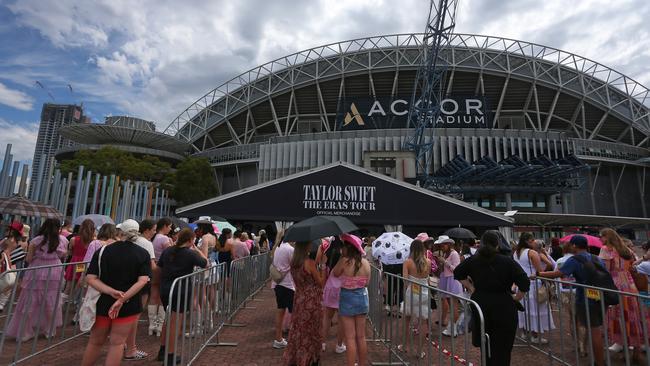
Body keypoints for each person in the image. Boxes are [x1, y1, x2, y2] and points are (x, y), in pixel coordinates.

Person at [454, 230, 530, 366]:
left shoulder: (473, 260)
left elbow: (458, 272)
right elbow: (524, 282)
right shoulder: (507, 261)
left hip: (481, 303)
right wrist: (517, 298)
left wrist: (472, 288)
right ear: (498, 245)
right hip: (503, 304)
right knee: (503, 347)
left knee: (485, 342)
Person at [80, 223, 151, 366]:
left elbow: (91, 278)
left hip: (103, 302)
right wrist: (123, 298)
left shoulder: (103, 251)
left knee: (95, 342)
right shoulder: (142, 253)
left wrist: (110, 291)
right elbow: (143, 280)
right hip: (128, 304)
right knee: (117, 343)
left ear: (119, 231)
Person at [537, 235, 608, 366]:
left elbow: (559, 273)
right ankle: (596, 357)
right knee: (594, 328)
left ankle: (599, 361)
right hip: (598, 295)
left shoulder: (575, 260)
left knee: (592, 330)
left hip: (583, 296)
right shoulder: (596, 257)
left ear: (574, 246)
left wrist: (539, 274)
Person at [6, 219, 68, 341]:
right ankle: (49, 330)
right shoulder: (62, 240)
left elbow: (28, 259)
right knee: (51, 301)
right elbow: (63, 255)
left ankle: (25, 332)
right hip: (55, 271)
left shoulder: (36, 240)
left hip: (37, 270)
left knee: (30, 301)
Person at [156, 228, 208, 363]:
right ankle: (170, 355)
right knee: (176, 323)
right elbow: (205, 263)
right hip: (181, 290)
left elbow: (159, 267)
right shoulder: (190, 254)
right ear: (191, 240)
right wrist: (198, 250)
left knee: (168, 320)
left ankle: (163, 350)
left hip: (165, 288)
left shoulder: (168, 251)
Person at [599, 228, 643, 359]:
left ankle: (625, 350)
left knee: (619, 317)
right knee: (633, 316)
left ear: (607, 237)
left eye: (602, 236)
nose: (601, 239)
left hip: (615, 285)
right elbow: (632, 266)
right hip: (630, 285)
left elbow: (605, 270)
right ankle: (636, 351)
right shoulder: (626, 250)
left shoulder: (606, 249)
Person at [283, 240, 325, 366]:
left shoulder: (294, 263)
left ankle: (297, 356)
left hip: (299, 299)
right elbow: (321, 282)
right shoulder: (309, 263)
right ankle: (309, 358)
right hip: (311, 301)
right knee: (312, 330)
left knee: (299, 329)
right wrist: (323, 266)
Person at [331, 234, 370, 366]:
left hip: (347, 298)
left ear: (348, 248)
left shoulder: (344, 261)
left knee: (350, 337)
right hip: (362, 299)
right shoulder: (366, 263)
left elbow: (335, 273)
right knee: (361, 336)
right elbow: (367, 283)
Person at [513, 232, 555, 343]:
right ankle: (535, 335)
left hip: (520, 285)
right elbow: (540, 271)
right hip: (532, 284)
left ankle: (524, 332)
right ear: (527, 241)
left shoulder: (516, 253)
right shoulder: (531, 253)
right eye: (532, 240)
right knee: (535, 309)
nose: (534, 242)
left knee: (524, 310)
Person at [124, 219, 156, 360]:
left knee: (123, 315)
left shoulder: (117, 243)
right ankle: (131, 349)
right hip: (140, 282)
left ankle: (124, 344)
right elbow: (152, 266)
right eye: (153, 229)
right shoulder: (146, 244)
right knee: (134, 316)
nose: (154, 232)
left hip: (123, 282)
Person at [399, 239, 431, 357]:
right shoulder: (428, 262)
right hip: (424, 293)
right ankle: (420, 351)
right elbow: (427, 279)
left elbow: (405, 280)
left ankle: (404, 346)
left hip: (411, 292)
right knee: (423, 323)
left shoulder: (407, 262)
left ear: (411, 249)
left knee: (407, 320)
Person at [316, 237, 346, 354]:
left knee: (327, 317)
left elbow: (322, 275)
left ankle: (322, 344)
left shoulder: (326, 255)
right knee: (342, 318)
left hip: (329, 288)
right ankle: (339, 345)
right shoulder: (344, 257)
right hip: (342, 289)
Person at [149, 217, 173, 337]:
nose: (170, 229)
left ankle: (151, 324)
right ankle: (159, 325)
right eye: (169, 226)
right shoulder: (164, 239)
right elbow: (171, 254)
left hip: (152, 267)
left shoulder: (153, 238)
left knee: (153, 296)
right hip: (163, 269)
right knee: (162, 297)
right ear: (164, 226)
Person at [435, 235, 462, 337]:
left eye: (444, 244)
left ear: (449, 244)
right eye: (441, 245)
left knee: (454, 306)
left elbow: (456, 269)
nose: (442, 246)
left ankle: (453, 329)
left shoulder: (454, 254)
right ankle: (452, 328)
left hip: (452, 280)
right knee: (452, 305)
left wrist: (444, 262)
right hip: (447, 279)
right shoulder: (446, 254)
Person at [271, 239, 295, 349]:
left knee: (280, 311)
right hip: (288, 285)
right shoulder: (290, 249)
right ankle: (294, 340)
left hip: (277, 283)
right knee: (294, 313)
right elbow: (295, 265)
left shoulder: (278, 248)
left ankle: (278, 338)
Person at [65, 219, 95, 297]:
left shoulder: (73, 239)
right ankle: (76, 303)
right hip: (85, 264)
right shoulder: (93, 241)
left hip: (74, 262)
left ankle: (65, 303)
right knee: (81, 286)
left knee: (69, 285)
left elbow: (70, 252)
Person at [0, 223, 20, 311]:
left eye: (8, 229)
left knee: (4, 284)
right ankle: (1, 306)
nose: (6, 230)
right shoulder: (16, 241)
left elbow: (6, 253)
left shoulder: (8, 240)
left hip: (6, 264)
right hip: (12, 265)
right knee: (7, 289)